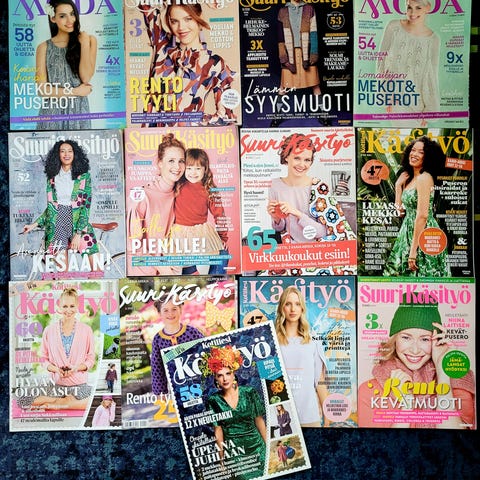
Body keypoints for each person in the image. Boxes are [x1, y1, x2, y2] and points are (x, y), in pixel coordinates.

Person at [358, 295, 475, 429]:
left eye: (425, 339)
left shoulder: (459, 386)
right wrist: (407, 406)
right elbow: (379, 443)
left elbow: (457, 440)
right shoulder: (369, 391)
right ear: (395, 340)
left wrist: (443, 373)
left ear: (437, 340)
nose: (415, 350)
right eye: (406, 338)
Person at [138, 3, 236, 126]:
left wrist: (192, 120)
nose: (181, 27)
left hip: (190, 136)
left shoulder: (215, 64)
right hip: (150, 136)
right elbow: (146, 5)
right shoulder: (161, 46)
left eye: (188, 19)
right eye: (174, 21)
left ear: (199, 17)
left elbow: (226, 117)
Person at [23, 140, 99, 276]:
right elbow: (51, 208)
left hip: (78, 222)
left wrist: (78, 233)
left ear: (75, 154)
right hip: (57, 224)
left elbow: (85, 206)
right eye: (62, 151)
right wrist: (34, 224)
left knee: (97, 270)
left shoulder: (84, 176)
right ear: (57, 155)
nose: (66, 154)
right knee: (63, 274)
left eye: (70, 151)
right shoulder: (52, 178)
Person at [17, 288, 95, 410]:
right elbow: (43, 359)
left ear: (77, 306)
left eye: (72, 306)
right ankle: (63, 401)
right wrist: (56, 370)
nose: (68, 310)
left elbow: (90, 359)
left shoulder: (86, 330)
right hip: (56, 385)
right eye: (65, 306)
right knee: (22, 400)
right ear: (59, 307)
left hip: (79, 386)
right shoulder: (49, 330)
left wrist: (76, 368)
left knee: (97, 400)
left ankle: (61, 402)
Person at [384, 136, 449, 277]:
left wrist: (413, 251)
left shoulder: (424, 178)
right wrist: (398, 187)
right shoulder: (410, 178)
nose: (414, 154)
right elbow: (400, 213)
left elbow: (422, 216)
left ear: (428, 157)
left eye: (421, 152)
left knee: (423, 274)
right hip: (407, 231)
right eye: (413, 150)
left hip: (423, 233)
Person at [127, 133, 186, 276]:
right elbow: (133, 245)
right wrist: (161, 267)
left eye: (181, 161)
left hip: (169, 268)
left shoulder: (180, 194)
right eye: (171, 161)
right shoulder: (141, 196)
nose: (177, 166)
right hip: (143, 272)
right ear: (160, 163)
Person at [204, 346, 266, 480]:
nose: (224, 379)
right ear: (216, 379)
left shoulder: (249, 393)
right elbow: (218, 431)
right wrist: (221, 461)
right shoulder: (213, 400)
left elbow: (259, 421)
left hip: (258, 448)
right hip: (235, 454)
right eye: (220, 375)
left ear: (233, 374)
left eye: (227, 373)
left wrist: (270, 447)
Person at [377, 0, 439, 124]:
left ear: (427, 8)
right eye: (409, 7)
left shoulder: (433, 39)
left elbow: (432, 75)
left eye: (418, 8)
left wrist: (429, 112)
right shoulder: (393, 27)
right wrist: (385, 96)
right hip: (395, 101)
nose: (412, 13)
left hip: (419, 108)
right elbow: (381, 62)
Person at [275, 286, 330, 427]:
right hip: (280, 416)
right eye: (288, 304)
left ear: (302, 308)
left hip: (309, 415)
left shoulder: (313, 340)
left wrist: (327, 419)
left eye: (297, 304)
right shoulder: (272, 340)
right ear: (282, 308)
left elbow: (319, 380)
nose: (293, 309)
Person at [37, 0, 96, 130]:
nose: (70, 20)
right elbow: (42, 90)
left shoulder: (89, 41)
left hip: (79, 112)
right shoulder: (43, 47)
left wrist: (84, 44)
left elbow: (86, 78)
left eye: (72, 14)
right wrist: (76, 91)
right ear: (53, 18)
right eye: (62, 16)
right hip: (51, 113)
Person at [171, 148, 228, 275]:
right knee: (176, 265)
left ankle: (205, 281)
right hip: (179, 232)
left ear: (205, 169)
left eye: (198, 168)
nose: (193, 172)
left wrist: (223, 237)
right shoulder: (177, 184)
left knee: (204, 261)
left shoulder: (208, 189)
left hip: (200, 232)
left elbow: (219, 214)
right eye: (189, 168)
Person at [267, 133, 327, 243]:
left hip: (316, 249)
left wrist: (296, 213)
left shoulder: (319, 187)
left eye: (307, 160)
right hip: (289, 248)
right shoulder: (274, 185)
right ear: (286, 157)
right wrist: (276, 218)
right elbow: (280, 229)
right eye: (297, 158)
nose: (302, 165)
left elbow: (323, 232)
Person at [150, 297, 204, 396]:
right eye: (165, 310)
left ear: (180, 309)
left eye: (174, 309)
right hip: (178, 389)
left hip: (200, 382)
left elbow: (206, 350)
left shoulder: (192, 332)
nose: (170, 313)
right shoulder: (158, 339)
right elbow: (157, 367)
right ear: (159, 313)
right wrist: (160, 392)